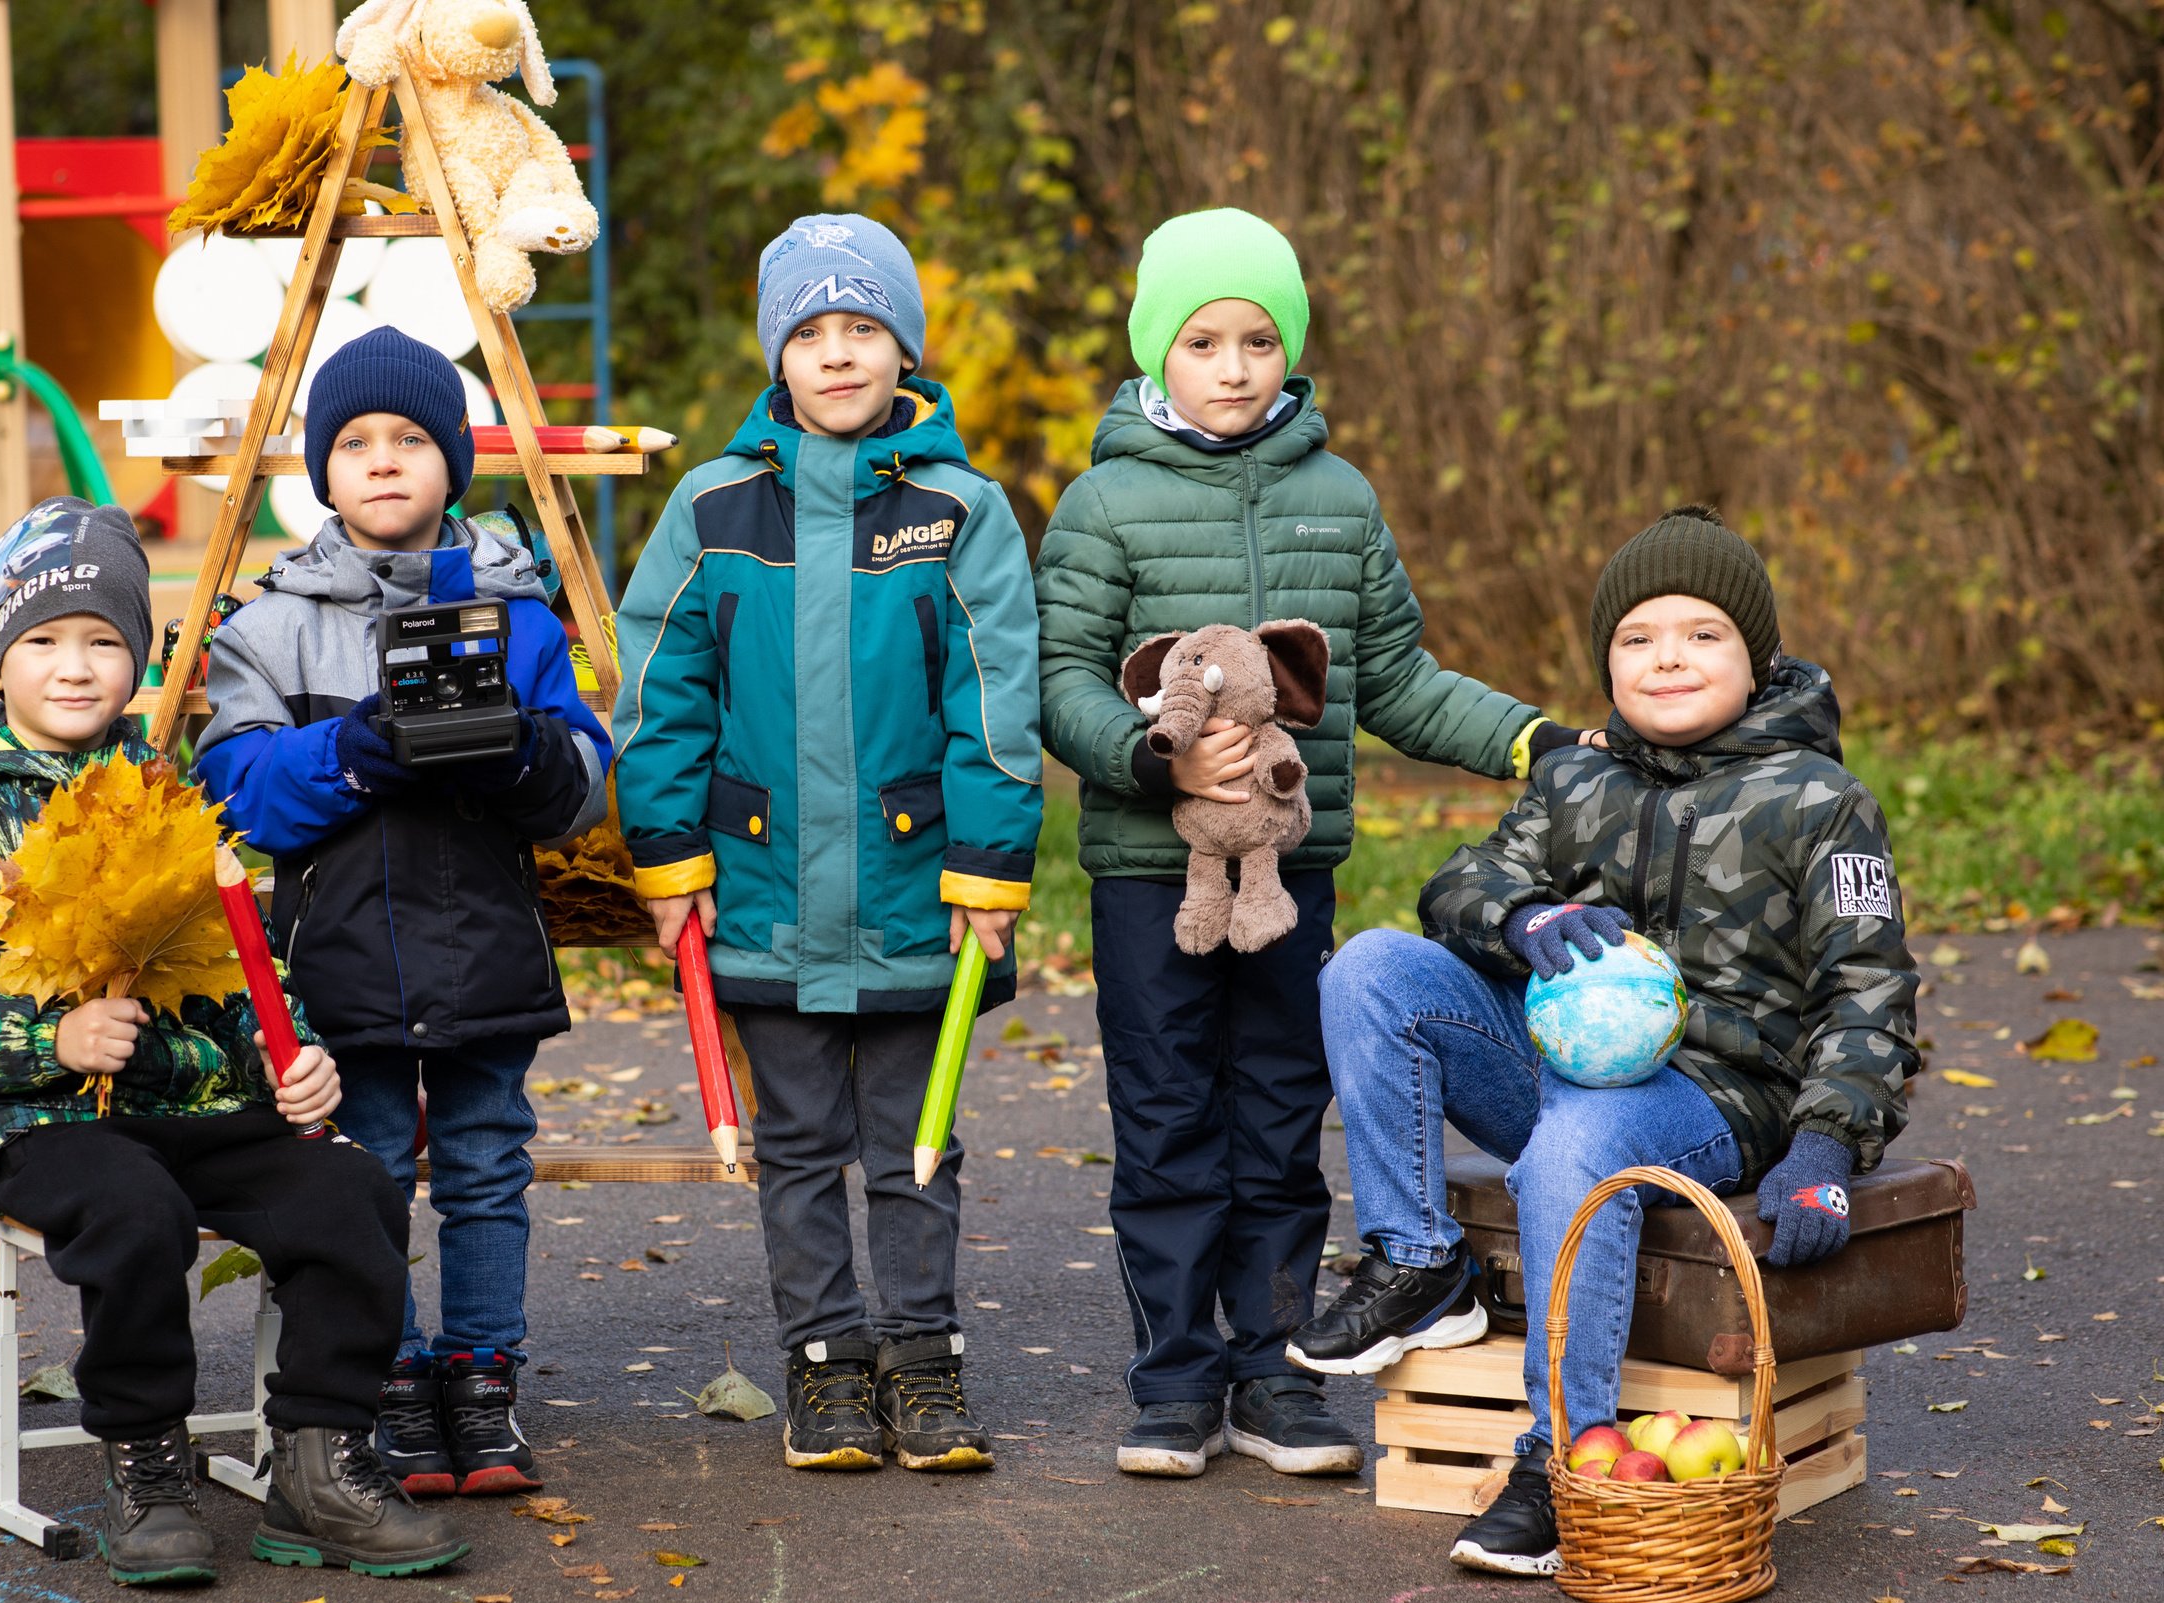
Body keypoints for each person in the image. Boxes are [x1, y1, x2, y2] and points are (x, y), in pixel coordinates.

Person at [1036, 207, 1600, 1480]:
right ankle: (1176, 1382)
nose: (1233, 368)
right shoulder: (1103, 502)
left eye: (1257, 341)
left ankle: (1274, 1377)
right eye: (1202, 342)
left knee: (1284, 1117)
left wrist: (1529, 740)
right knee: (1169, 1116)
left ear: (1288, 350)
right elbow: (1060, 677)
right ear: (1153, 353)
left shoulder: (1337, 499)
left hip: (1291, 868)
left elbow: (1394, 677)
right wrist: (1152, 753)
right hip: (1151, 878)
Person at [1291, 504, 1918, 1575]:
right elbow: (1467, 881)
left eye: (1700, 634)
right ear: (1605, 661)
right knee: (1369, 970)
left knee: (1577, 1144)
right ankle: (1418, 1261)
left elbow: (1870, 992)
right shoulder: (1578, 778)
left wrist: (1825, 1152)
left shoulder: (1818, 800)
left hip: (1715, 1103)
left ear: (1754, 654)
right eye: (1636, 639)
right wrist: (1521, 919)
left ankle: (1562, 1458)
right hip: (1565, 1064)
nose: (1666, 658)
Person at [0, 496, 473, 1586]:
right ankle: (149, 1459)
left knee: (352, 1193)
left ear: (140, 664)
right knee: (133, 1206)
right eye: (43, 642)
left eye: (105, 642)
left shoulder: (171, 794)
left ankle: (318, 1459)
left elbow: (247, 961)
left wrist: (290, 1055)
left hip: (193, 1102)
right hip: (47, 1118)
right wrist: (55, 1039)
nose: (74, 667)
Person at [611, 213, 1044, 1473]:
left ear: (902, 349)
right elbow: (658, 690)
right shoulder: (711, 506)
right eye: (812, 332)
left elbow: (994, 698)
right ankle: (824, 1368)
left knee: (916, 1147)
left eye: (863, 329)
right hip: (758, 890)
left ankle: (922, 1362)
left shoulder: (959, 509)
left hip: (920, 889)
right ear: (778, 357)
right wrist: (666, 861)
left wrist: (990, 869)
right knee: (795, 1148)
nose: (839, 354)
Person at [195, 326, 614, 1499]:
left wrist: (518, 755)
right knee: (362, 1172)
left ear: (453, 464)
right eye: (359, 443)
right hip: (341, 964)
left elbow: (578, 789)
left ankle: (482, 1385)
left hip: (482, 949)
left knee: (485, 1168)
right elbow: (238, 794)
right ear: (322, 473)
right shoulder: (268, 625)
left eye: (414, 440)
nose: (385, 461)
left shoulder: (518, 613)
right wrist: (359, 750)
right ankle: (385, 1382)